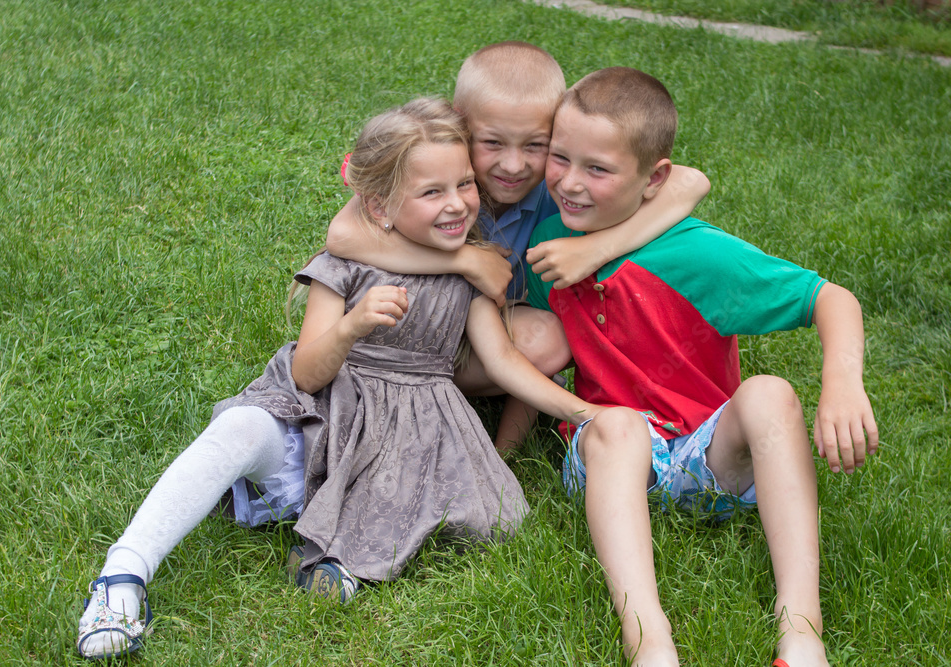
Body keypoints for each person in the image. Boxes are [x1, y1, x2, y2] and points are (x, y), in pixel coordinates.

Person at [75, 97, 602, 659]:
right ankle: (124, 573)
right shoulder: (344, 267)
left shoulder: (469, 276)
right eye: (432, 192)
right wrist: (351, 327)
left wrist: (586, 414)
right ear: (379, 207)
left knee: (471, 505)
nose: (456, 204)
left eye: (465, 184)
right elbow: (307, 373)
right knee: (239, 428)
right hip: (321, 420)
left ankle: (338, 563)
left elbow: (502, 362)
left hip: (407, 435)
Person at [524, 67, 879, 667]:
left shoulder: (699, 253)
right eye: (560, 158)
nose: (570, 183)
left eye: (598, 169)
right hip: (613, 463)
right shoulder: (550, 244)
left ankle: (802, 630)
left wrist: (842, 383)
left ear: (654, 178)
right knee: (617, 424)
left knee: (770, 393)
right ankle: (648, 640)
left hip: (709, 457)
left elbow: (830, 298)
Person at [326, 42, 710, 452]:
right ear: (461, 125)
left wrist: (596, 249)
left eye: (535, 145)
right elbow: (341, 236)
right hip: (399, 336)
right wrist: (466, 259)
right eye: (492, 143)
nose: (513, 166)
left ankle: (481, 409)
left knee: (553, 335)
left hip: (489, 334)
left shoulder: (564, 190)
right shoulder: (435, 170)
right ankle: (413, 389)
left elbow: (692, 182)